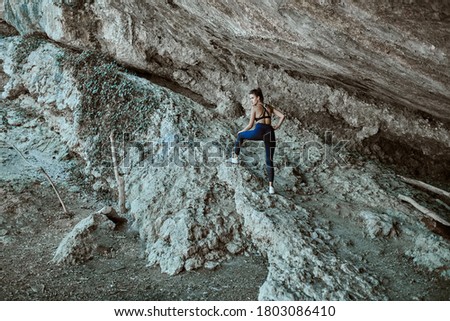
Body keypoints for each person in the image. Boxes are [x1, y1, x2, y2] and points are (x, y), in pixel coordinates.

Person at [230, 88, 285, 194]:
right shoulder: (269, 107)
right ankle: (271, 188)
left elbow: (250, 125)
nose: (251, 100)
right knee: (269, 160)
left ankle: (235, 158)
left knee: (241, 136)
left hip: (259, 131)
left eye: (252, 98)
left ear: (258, 97)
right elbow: (282, 116)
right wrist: (276, 126)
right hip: (270, 132)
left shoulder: (255, 107)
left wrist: (241, 131)